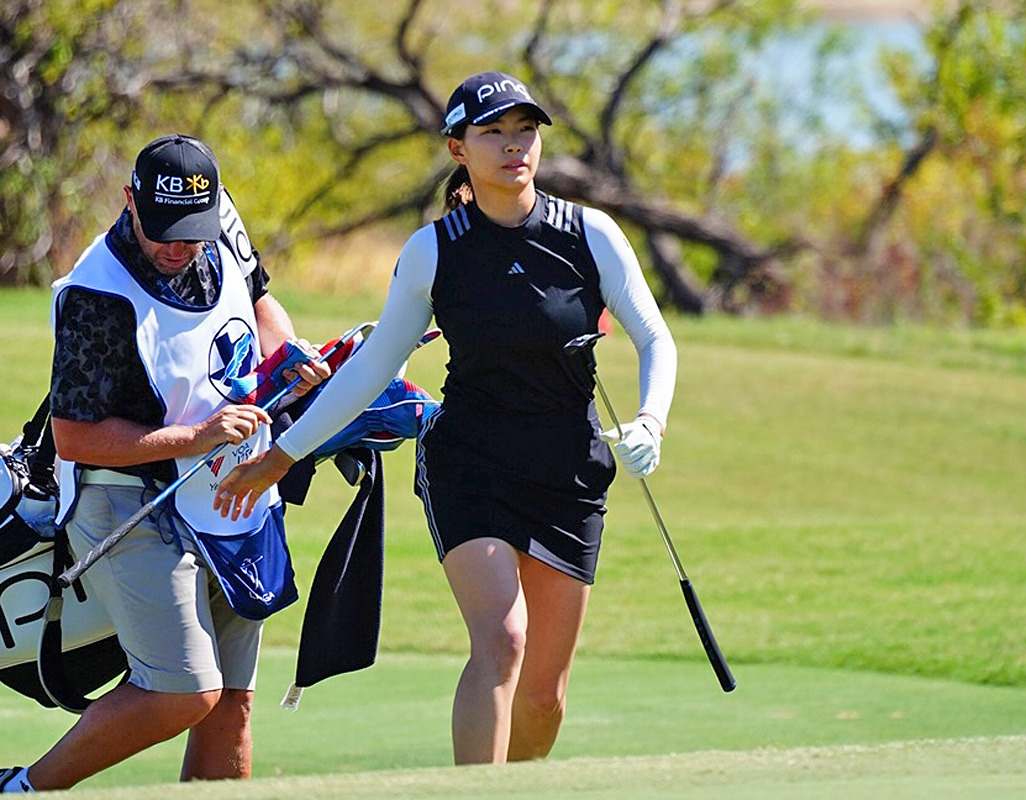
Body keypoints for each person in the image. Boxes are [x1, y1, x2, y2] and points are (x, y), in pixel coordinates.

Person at [213, 71, 678, 765]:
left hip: (568, 474)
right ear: (459, 149)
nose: (513, 146)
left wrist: (652, 419)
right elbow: (370, 370)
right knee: (503, 639)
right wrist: (287, 451)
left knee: (545, 697)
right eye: (492, 133)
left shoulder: (591, 234)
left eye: (525, 131)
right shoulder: (435, 251)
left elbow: (654, 338)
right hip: (471, 465)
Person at [0, 134, 330, 793]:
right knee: (185, 693)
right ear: (130, 202)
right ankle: (22, 787)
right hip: (126, 501)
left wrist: (294, 363)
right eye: (164, 232)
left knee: (231, 708)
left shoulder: (219, 225)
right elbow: (76, 439)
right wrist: (197, 436)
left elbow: (259, 302)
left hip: (232, 494)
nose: (179, 248)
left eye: (194, 233)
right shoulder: (97, 296)